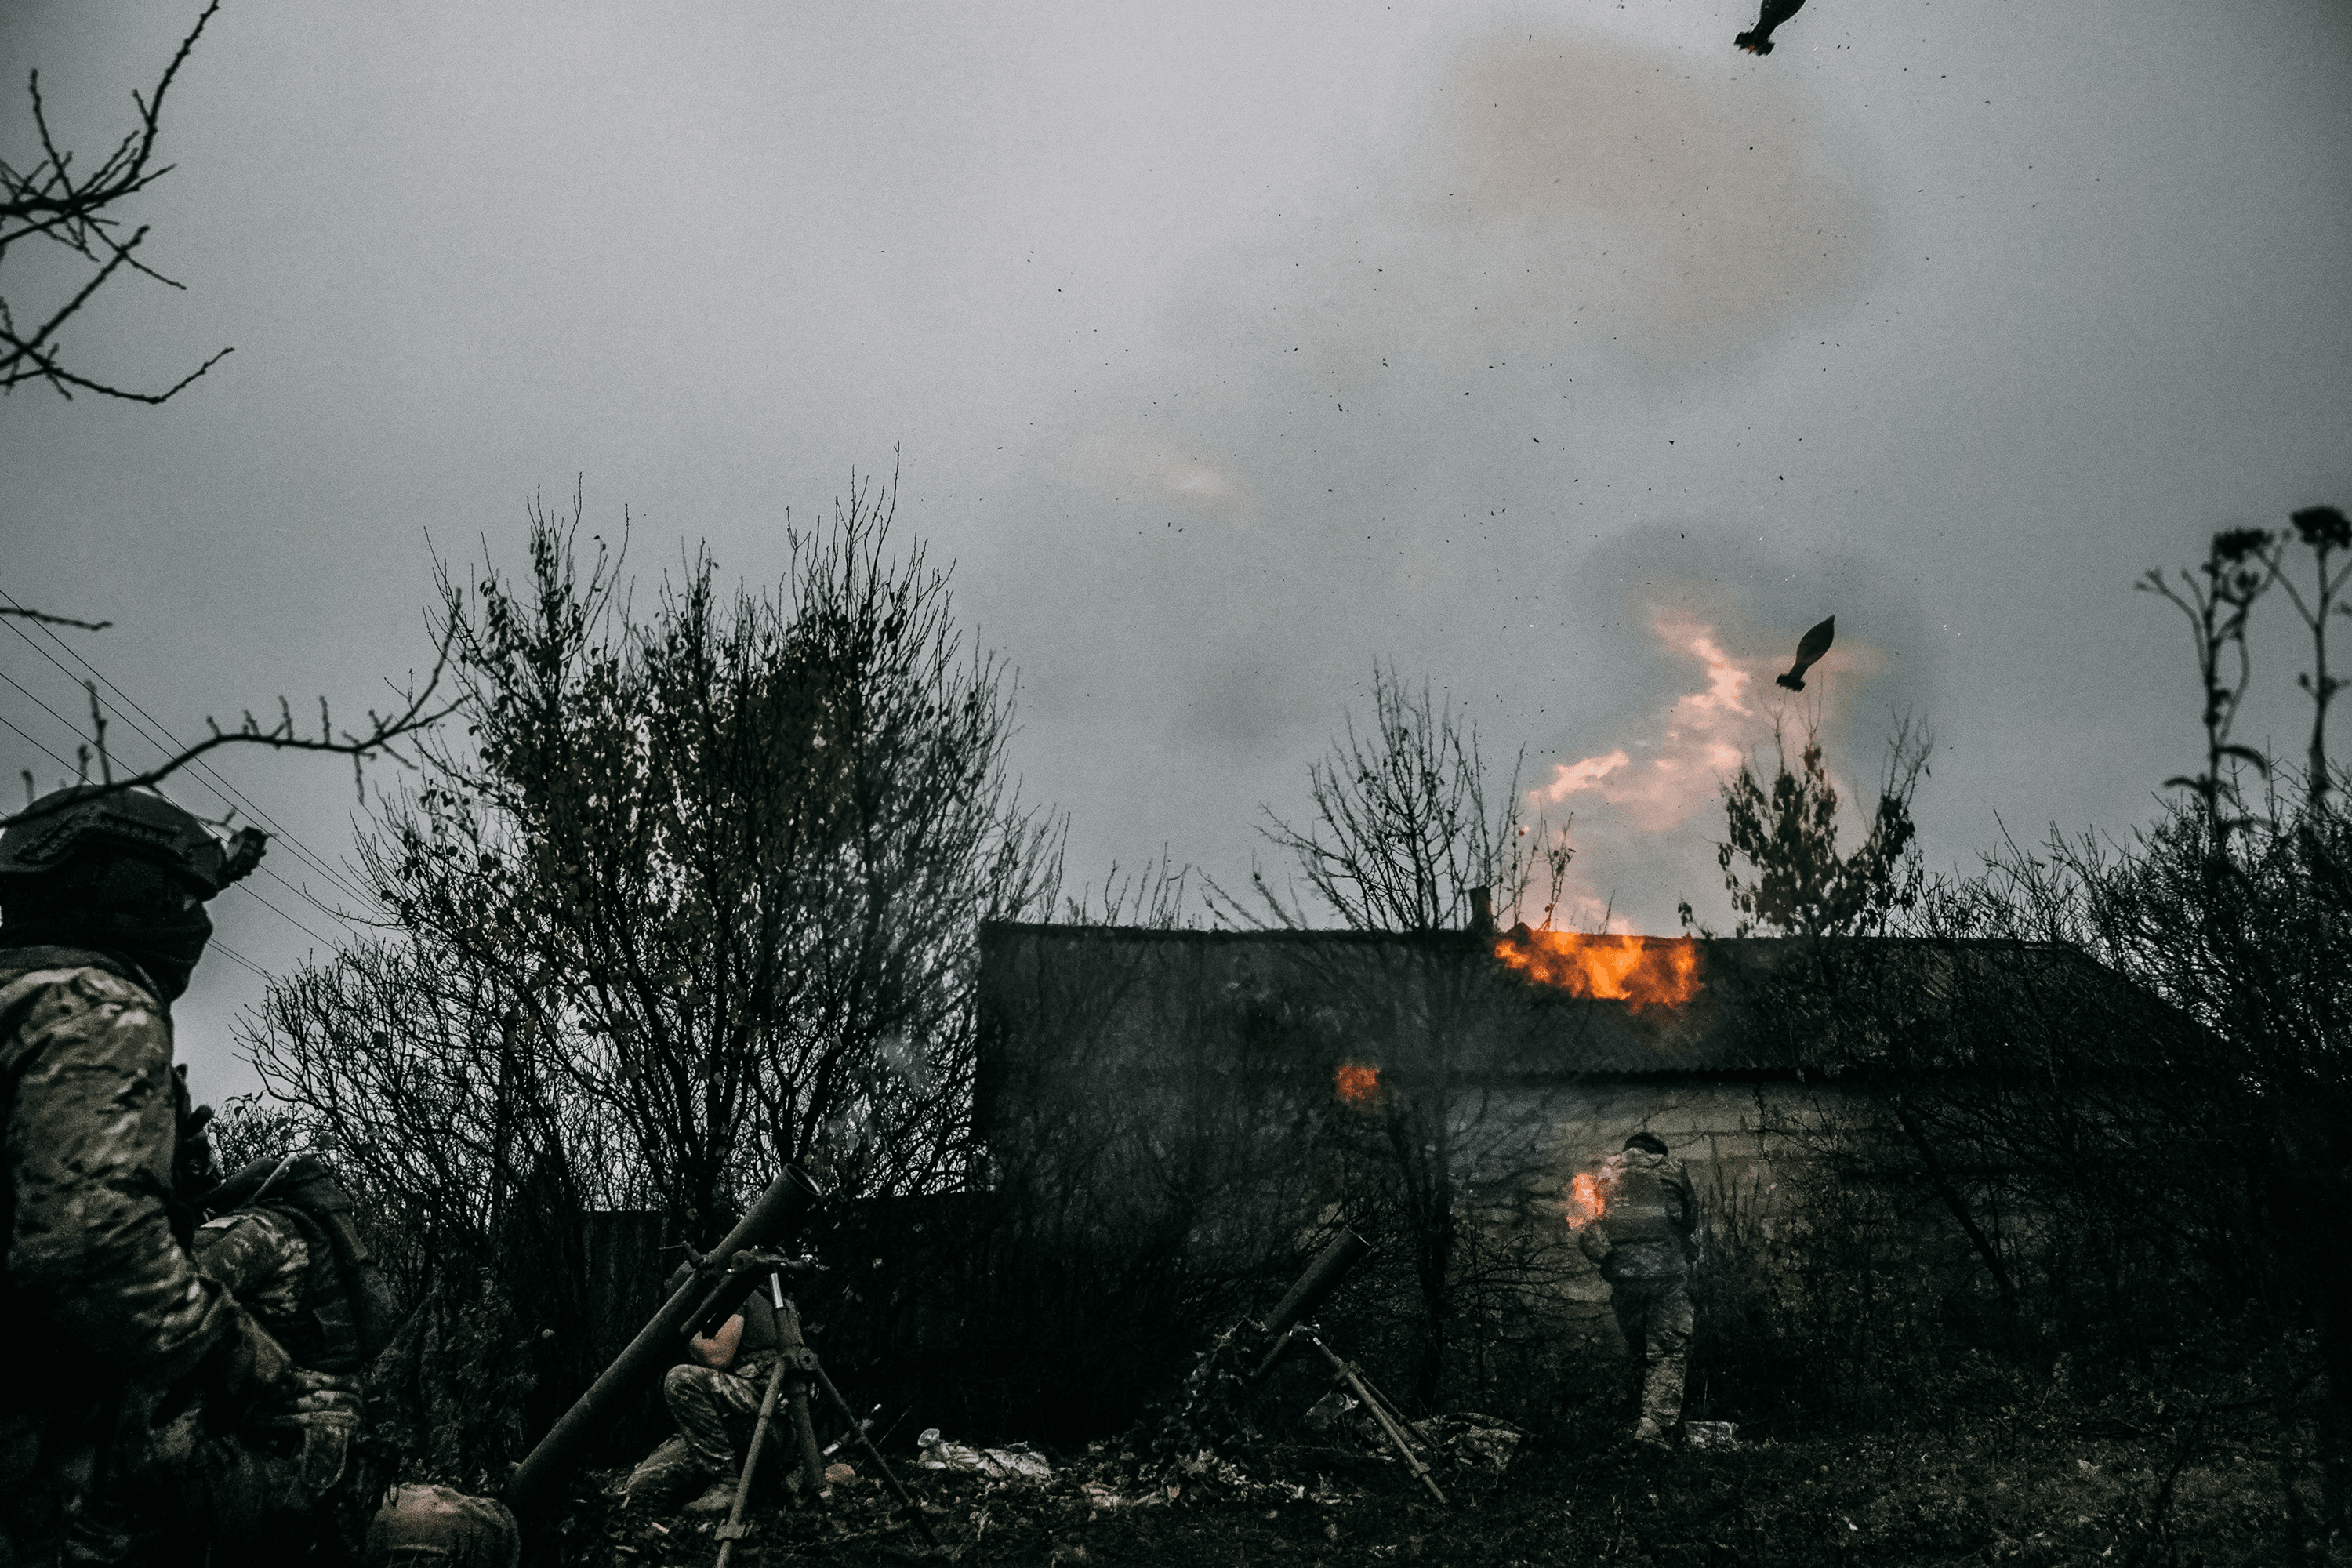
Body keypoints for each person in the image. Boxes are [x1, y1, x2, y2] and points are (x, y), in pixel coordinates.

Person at [0, 785, 517, 1565]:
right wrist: (252, 1367)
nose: (194, 919)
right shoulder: (95, 1003)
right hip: (49, 1466)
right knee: (439, 1522)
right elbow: (97, 1252)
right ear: (127, 887)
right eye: (180, 895)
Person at [1577, 1131, 1700, 1449]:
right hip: (1667, 1277)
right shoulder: (1673, 1171)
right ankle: (1653, 1431)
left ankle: (1633, 1422)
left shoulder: (1604, 1175)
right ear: (1658, 1152)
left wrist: (1611, 1260)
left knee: (1639, 1353)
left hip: (1625, 1280)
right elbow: (1690, 1221)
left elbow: (1586, 1227)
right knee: (1667, 1351)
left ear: (1627, 1151)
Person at [622, 1276, 784, 1515]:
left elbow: (717, 1355)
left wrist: (681, 1327)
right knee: (643, 1483)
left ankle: (726, 1485)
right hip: (751, 1428)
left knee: (681, 1380)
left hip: (763, 1425)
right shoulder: (762, 1295)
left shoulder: (739, 1292)